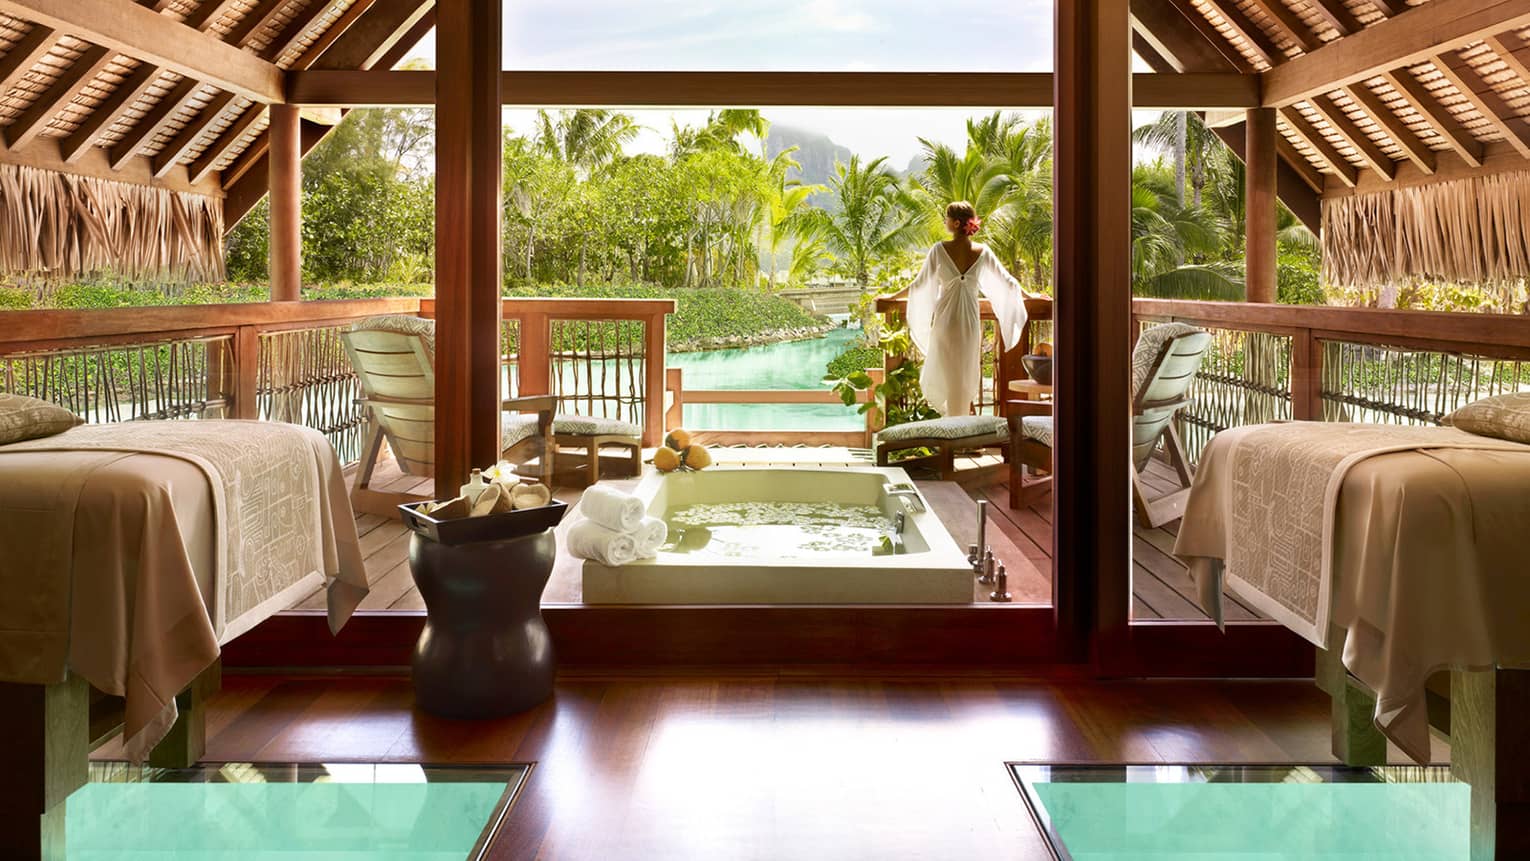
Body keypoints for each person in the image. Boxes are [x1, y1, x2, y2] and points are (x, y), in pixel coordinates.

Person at [892, 201, 1044, 417]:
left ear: (955, 223)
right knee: (963, 374)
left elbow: (919, 285)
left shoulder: (939, 250)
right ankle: (960, 427)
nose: (944, 221)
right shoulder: (982, 252)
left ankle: (952, 427)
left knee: (947, 372)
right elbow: (1007, 282)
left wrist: (892, 296)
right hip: (969, 321)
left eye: (946, 218)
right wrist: (1030, 295)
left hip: (946, 319)